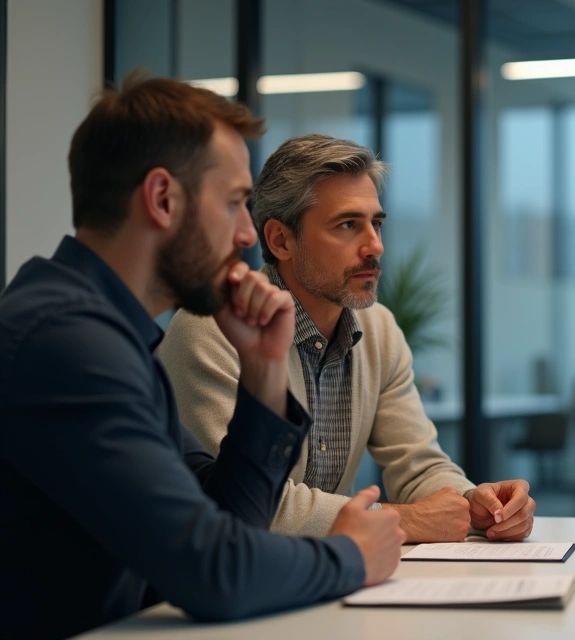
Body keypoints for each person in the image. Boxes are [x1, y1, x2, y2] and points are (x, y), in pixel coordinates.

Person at [0, 77, 403, 639]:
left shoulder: (114, 336)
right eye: (235, 202)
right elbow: (213, 570)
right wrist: (352, 556)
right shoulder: (66, 342)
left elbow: (229, 523)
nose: (246, 235)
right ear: (163, 198)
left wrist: (263, 368)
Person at [158, 134, 536, 542]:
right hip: (222, 581)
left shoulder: (378, 328)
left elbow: (417, 464)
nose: (375, 246)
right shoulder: (212, 330)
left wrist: (473, 502)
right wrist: (404, 519)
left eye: (376, 223)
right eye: (348, 225)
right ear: (280, 240)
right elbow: (245, 505)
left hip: (322, 575)